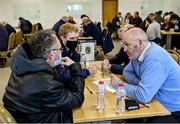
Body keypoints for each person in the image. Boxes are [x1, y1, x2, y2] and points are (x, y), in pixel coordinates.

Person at [3, 30, 85, 123]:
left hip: (29, 117)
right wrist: (75, 68)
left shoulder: (25, 66)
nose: (61, 52)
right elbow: (76, 100)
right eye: (60, 49)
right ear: (52, 55)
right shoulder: (44, 83)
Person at [110, 28, 180, 123]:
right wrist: (140, 83)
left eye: (127, 44)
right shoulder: (137, 53)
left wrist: (119, 85)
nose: (124, 49)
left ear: (140, 44)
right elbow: (126, 72)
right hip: (155, 100)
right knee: (129, 112)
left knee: (130, 111)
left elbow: (143, 95)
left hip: (171, 109)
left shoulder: (154, 59)